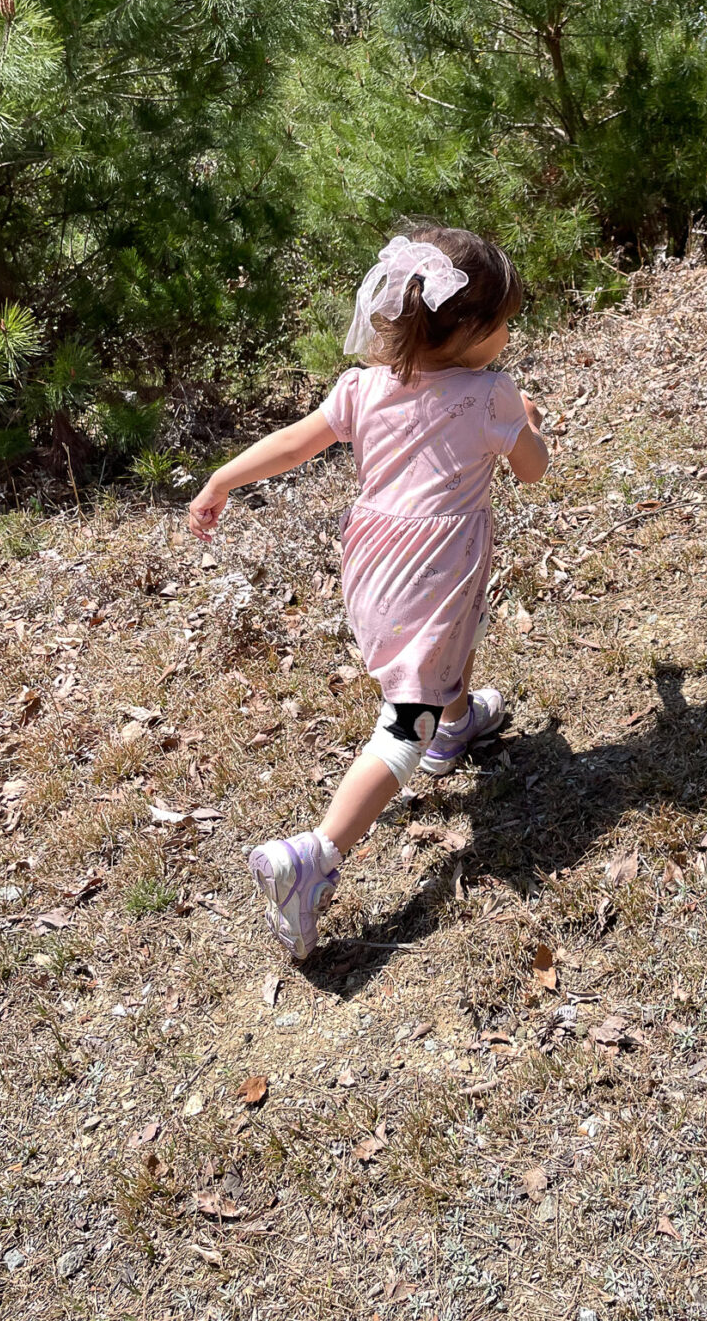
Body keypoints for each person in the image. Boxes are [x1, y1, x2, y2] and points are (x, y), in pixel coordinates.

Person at [186, 226, 549, 959]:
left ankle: (456, 724)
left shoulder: (363, 387)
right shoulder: (490, 396)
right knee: (402, 716)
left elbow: (296, 441)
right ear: (472, 330)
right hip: (438, 565)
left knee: (438, 653)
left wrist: (222, 478)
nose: (510, 333)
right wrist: (529, 424)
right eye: (505, 320)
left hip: (374, 564)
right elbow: (533, 470)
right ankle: (313, 855)